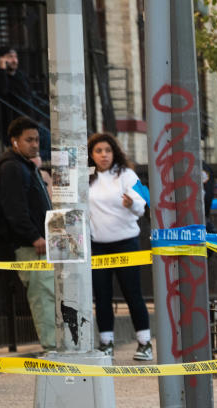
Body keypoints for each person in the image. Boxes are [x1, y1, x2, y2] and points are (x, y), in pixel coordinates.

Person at [0, 116, 53, 350]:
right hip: (31, 246)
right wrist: (34, 236)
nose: (35, 144)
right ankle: (51, 346)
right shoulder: (12, 168)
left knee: (48, 293)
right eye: (29, 140)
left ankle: (54, 344)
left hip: (40, 243)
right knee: (43, 296)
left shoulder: (25, 165)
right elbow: (14, 208)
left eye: (36, 139)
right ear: (14, 141)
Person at [88, 132, 152, 360]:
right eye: (98, 151)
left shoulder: (126, 174)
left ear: (114, 152)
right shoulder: (89, 178)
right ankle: (106, 343)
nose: (103, 155)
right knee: (102, 296)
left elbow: (142, 203)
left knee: (132, 293)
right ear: (92, 155)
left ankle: (144, 343)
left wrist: (132, 202)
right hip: (99, 245)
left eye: (107, 150)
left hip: (126, 242)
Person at [0, 48, 42, 146]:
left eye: (15, 57)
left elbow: (28, 96)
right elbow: (2, 90)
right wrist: (2, 69)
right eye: (10, 57)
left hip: (27, 121)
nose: (14, 60)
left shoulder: (20, 76)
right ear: (1, 59)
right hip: (6, 123)